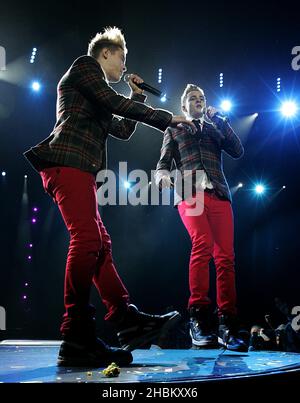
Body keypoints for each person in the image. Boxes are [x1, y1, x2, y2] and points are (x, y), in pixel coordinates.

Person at [23, 27, 196, 367]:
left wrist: (138, 97)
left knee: (101, 243)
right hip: (66, 164)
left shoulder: (97, 94)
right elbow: (113, 103)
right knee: (87, 240)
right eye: (122, 58)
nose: (124, 65)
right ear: (106, 53)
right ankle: (75, 335)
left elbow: (122, 128)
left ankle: (127, 321)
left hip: (80, 170)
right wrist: (166, 118)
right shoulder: (85, 66)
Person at [155, 84, 247, 351]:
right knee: (202, 243)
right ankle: (198, 316)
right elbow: (163, 162)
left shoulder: (215, 128)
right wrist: (161, 175)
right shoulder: (174, 128)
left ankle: (227, 323)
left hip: (218, 193)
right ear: (184, 106)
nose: (198, 101)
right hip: (189, 192)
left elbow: (237, 150)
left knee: (225, 257)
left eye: (201, 98)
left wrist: (219, 119)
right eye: (193, 98)